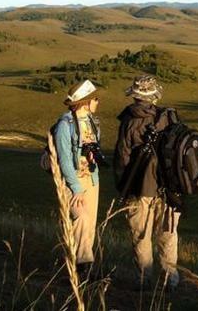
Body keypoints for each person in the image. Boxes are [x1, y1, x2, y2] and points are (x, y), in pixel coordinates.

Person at [114, 75, 182, 289]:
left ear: (135, 96)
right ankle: (170, 279)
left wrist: (123, 189)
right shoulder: (168, 118)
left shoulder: (129, 121)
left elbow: (122, 159)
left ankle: (144, 280)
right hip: (168, 189)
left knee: (141, 236)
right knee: (168, 235)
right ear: (154, 96)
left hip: (139, 188)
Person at [53, 79, 102, 278]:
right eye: (95, 99)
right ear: (85, 101)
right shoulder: (65, 125)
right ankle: (79, 266)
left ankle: (83, 268)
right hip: (74, 182)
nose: (98, 102)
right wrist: (75, 187)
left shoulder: (93, 122)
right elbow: (64, 159)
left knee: (89, 225)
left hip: (92, 180)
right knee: (80, 218)